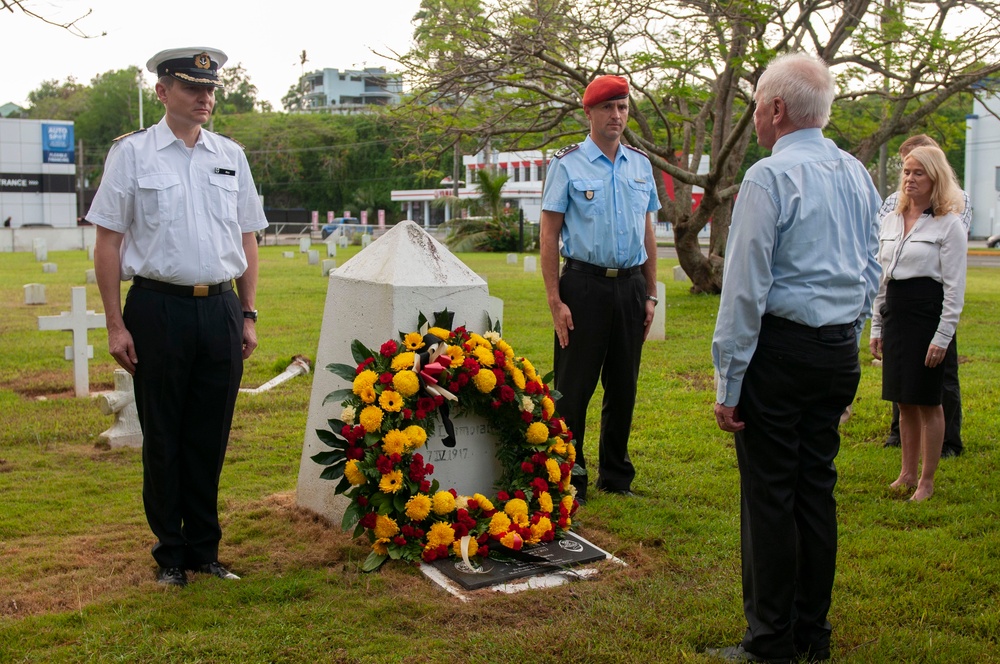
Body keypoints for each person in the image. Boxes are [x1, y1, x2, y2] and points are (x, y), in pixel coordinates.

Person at [710, 52, 881, 663]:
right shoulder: (857, 174)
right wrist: (849, 340)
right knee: (816, 490)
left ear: (777, 110)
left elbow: (745, 289)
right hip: (836, 350)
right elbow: (869, 268)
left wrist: (729, 383)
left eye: (757, 106)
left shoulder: (768, 177)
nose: (756, 118)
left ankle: (770, 642)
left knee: (771, 497)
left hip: (780, 354)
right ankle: (813, 634)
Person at [89, 47, 268, 588]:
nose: (205, 97)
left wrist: (247, 312)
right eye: (192, 88)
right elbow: (108, 242)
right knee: (164, 435)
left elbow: (247, 238)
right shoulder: (133, 155)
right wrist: (115, 323)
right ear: (164, 92)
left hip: (218, 307)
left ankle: (205, 550)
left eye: (210, 89)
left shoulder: (230, 155)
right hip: (157, 307)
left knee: (208, 436)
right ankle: (170, 557)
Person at [539, 75, 661, 502]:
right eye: (608, 107)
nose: (617, 115)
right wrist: (556, 301)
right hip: (584, 286)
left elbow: (647, 232)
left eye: (623, 107)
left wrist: (650, 294)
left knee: (623, 386)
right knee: (575, 387)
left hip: (629, 286)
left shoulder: (640, 165)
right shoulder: (567, 164)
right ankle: (570, 476)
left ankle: (616, 475)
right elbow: (549, 234)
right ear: (588, 112)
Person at [869, 146, 966, 502]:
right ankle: (906, 473)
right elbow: (883, 278)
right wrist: (877, 327)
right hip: (896, 313)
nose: (910, 179)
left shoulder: (948, 223)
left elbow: (955, 289)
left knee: (928, 401)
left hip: (928, 315)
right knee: (902, 401)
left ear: (935, 178)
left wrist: (943, 335)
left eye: (918, 173)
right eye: (907, 172)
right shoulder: (892, 218)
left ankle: (926, 480)